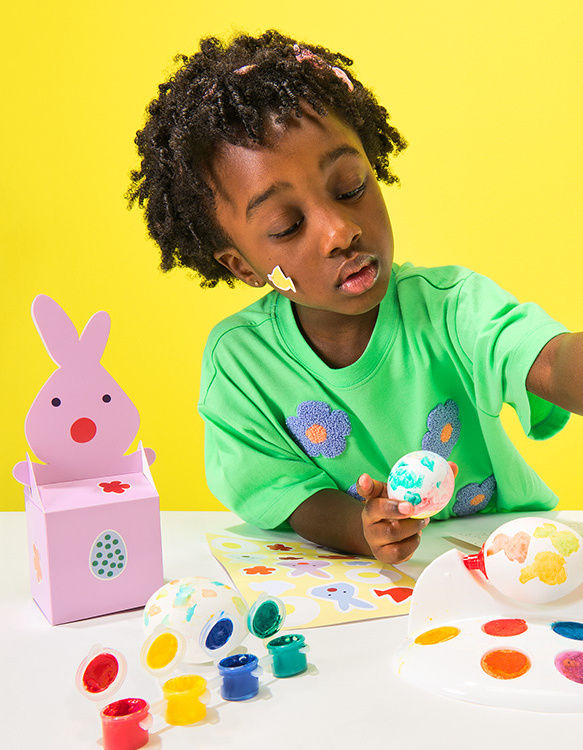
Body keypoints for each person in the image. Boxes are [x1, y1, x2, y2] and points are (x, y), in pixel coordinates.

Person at [128, 30, 580, 564]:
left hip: (510, 558)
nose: (340, 232)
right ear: (243, 265)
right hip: (374, 585)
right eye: (287, 225)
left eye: (350, 188)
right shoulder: (242, 364)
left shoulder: (452, 307)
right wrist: (362, 528)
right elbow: (286, 492)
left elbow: (551, 362)